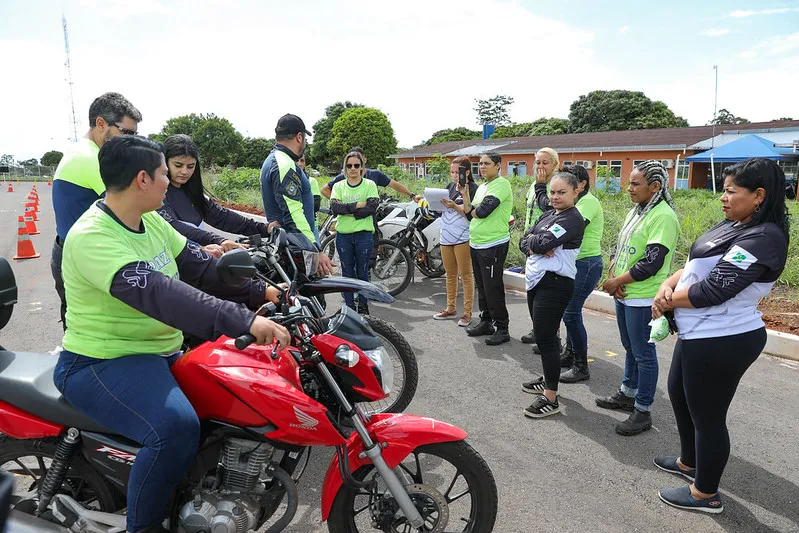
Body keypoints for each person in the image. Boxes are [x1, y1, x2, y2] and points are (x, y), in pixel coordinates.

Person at [53, 135, 290, 533]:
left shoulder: (150, 222)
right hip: (101, 362)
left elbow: (201, 268)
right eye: (165, 173)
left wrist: (264, 292)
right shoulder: (94, 236)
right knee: (175, 428)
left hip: (160, 352)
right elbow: (163, 294)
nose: (171, 181)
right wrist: (244, 321)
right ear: (142, 179)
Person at [651, 158, 789, 514]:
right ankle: (689, 463)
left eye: (731, 191)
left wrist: (667, 301)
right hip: (698, 333)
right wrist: (667, 284)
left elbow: (714, 289)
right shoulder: (735, 223)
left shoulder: (764, 237)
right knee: (679, 394)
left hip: (723, 338)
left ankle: (705, 494)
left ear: (759, 195)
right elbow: (695, 264)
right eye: (723, 190)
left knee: (708, 416)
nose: (723, 198)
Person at [51, 93, 237, 331]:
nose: (132, 141)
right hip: (89, 256)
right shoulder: (90, 158)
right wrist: (195, 249)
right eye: (127, 133)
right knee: (99, 329)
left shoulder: (83, 152)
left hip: (84, 251)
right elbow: (141, 209)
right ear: (101, 124)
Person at [595, 161, 680, 436]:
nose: (629, 188)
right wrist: (614, 278)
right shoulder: (637, 210)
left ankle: (642, 410)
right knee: (630, 347)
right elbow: (620, 247)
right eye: (629, 182)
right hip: (624, 292)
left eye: (635, 184)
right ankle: (627, 393)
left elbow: (652, 263)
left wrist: (618, 281)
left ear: (655, 187)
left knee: (644, 354)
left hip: (643, 297)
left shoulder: (663, 216)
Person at [519, 171, 585, 418]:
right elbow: (525, 240)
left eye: (562, 192)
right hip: (537, 281)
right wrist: (534, 243)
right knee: (544, 336)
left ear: (576, 191)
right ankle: (549, 379)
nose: (555, 197)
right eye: (553, 192)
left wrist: (536, 243)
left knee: (545, 338)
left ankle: (550, 397)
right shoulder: (550, 214)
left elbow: (541, 243)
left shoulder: (573, 219)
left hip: (555, 284)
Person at [260, 114, 334, 276]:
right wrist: (315, 249)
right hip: (295, 250)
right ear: (299, 137)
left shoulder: (273, 160)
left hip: (288, 246)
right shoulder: (284, 164)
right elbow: (293, 214)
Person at [158, 134, 269, 240]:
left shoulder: (193, 193)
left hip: (201, 252)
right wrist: (218, 240)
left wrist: (264, 228)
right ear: (165, 162)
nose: (185, 171)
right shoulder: (157, 194)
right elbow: (173, 227)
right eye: (178, 165)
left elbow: (222, 217)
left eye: (190, 166)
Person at [460, 152, 513, 346]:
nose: (482, 167)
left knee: (493, 288)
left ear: (498, 165)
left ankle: (502, 328)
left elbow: (482, 212)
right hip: (477, 243)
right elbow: (469, 214)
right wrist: (464, 193)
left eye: (486, 163)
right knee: (482, 286)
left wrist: (473, 210)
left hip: (493, 244)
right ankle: (486, 321)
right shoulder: (482, 187)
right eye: (480, 163)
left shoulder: (501, 184)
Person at [559, 164, 605, 383]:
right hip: (574, 262)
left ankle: (581, 365)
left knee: (571, 312)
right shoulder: (574, 202)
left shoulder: (588, 202)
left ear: (582, 184)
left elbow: (571, 228)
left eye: (570, 180)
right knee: (569, 311)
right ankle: (570, 353)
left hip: (586, 263)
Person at [521, 148, 561, 348]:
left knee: (548, 295)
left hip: (546, 243)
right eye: (538, 162)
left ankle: (552, 337)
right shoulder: (535, 183)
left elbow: (549, 208)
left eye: (545, 163)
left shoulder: (555, 185)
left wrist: (541, 186)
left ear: (555, 164)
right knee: (533, 292)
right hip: (531, 241)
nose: (540, 167)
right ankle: (538, 329)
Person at [329, 151, 379, 313]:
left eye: (356, 165)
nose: (353, 168)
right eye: (349, 165)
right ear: (345, 168)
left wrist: (347, 210)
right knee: (346, 273)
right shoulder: (338, 186)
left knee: (362, 272)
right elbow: (335, 208)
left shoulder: (369, 185)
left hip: (364, 236)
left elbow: (371, 208)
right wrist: (358, 205)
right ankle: (349, 307)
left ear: (362, 167)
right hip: (343, 236)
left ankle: (363, 306)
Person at [433, 156, 479, 327]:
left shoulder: (473, 189)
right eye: (451, 172)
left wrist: (454, 206)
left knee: (466, 275)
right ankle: (450, 308)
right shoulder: (449, 187)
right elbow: (442, 210)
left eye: (456, 171)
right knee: (450, 274)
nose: (453, 175)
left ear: (466, 172)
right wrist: (435, 205)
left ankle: (467, 313)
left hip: (463, 236)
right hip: (446, 235)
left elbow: (470, 213)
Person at [320, 146, 419, 201]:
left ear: (364, 160)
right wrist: (340, 204)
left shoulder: (374, 175)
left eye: (358, 161)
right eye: (350, 165)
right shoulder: (343, 177)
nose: (353, 167)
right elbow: (325, 190)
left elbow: (394, 185)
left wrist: (412, 195)